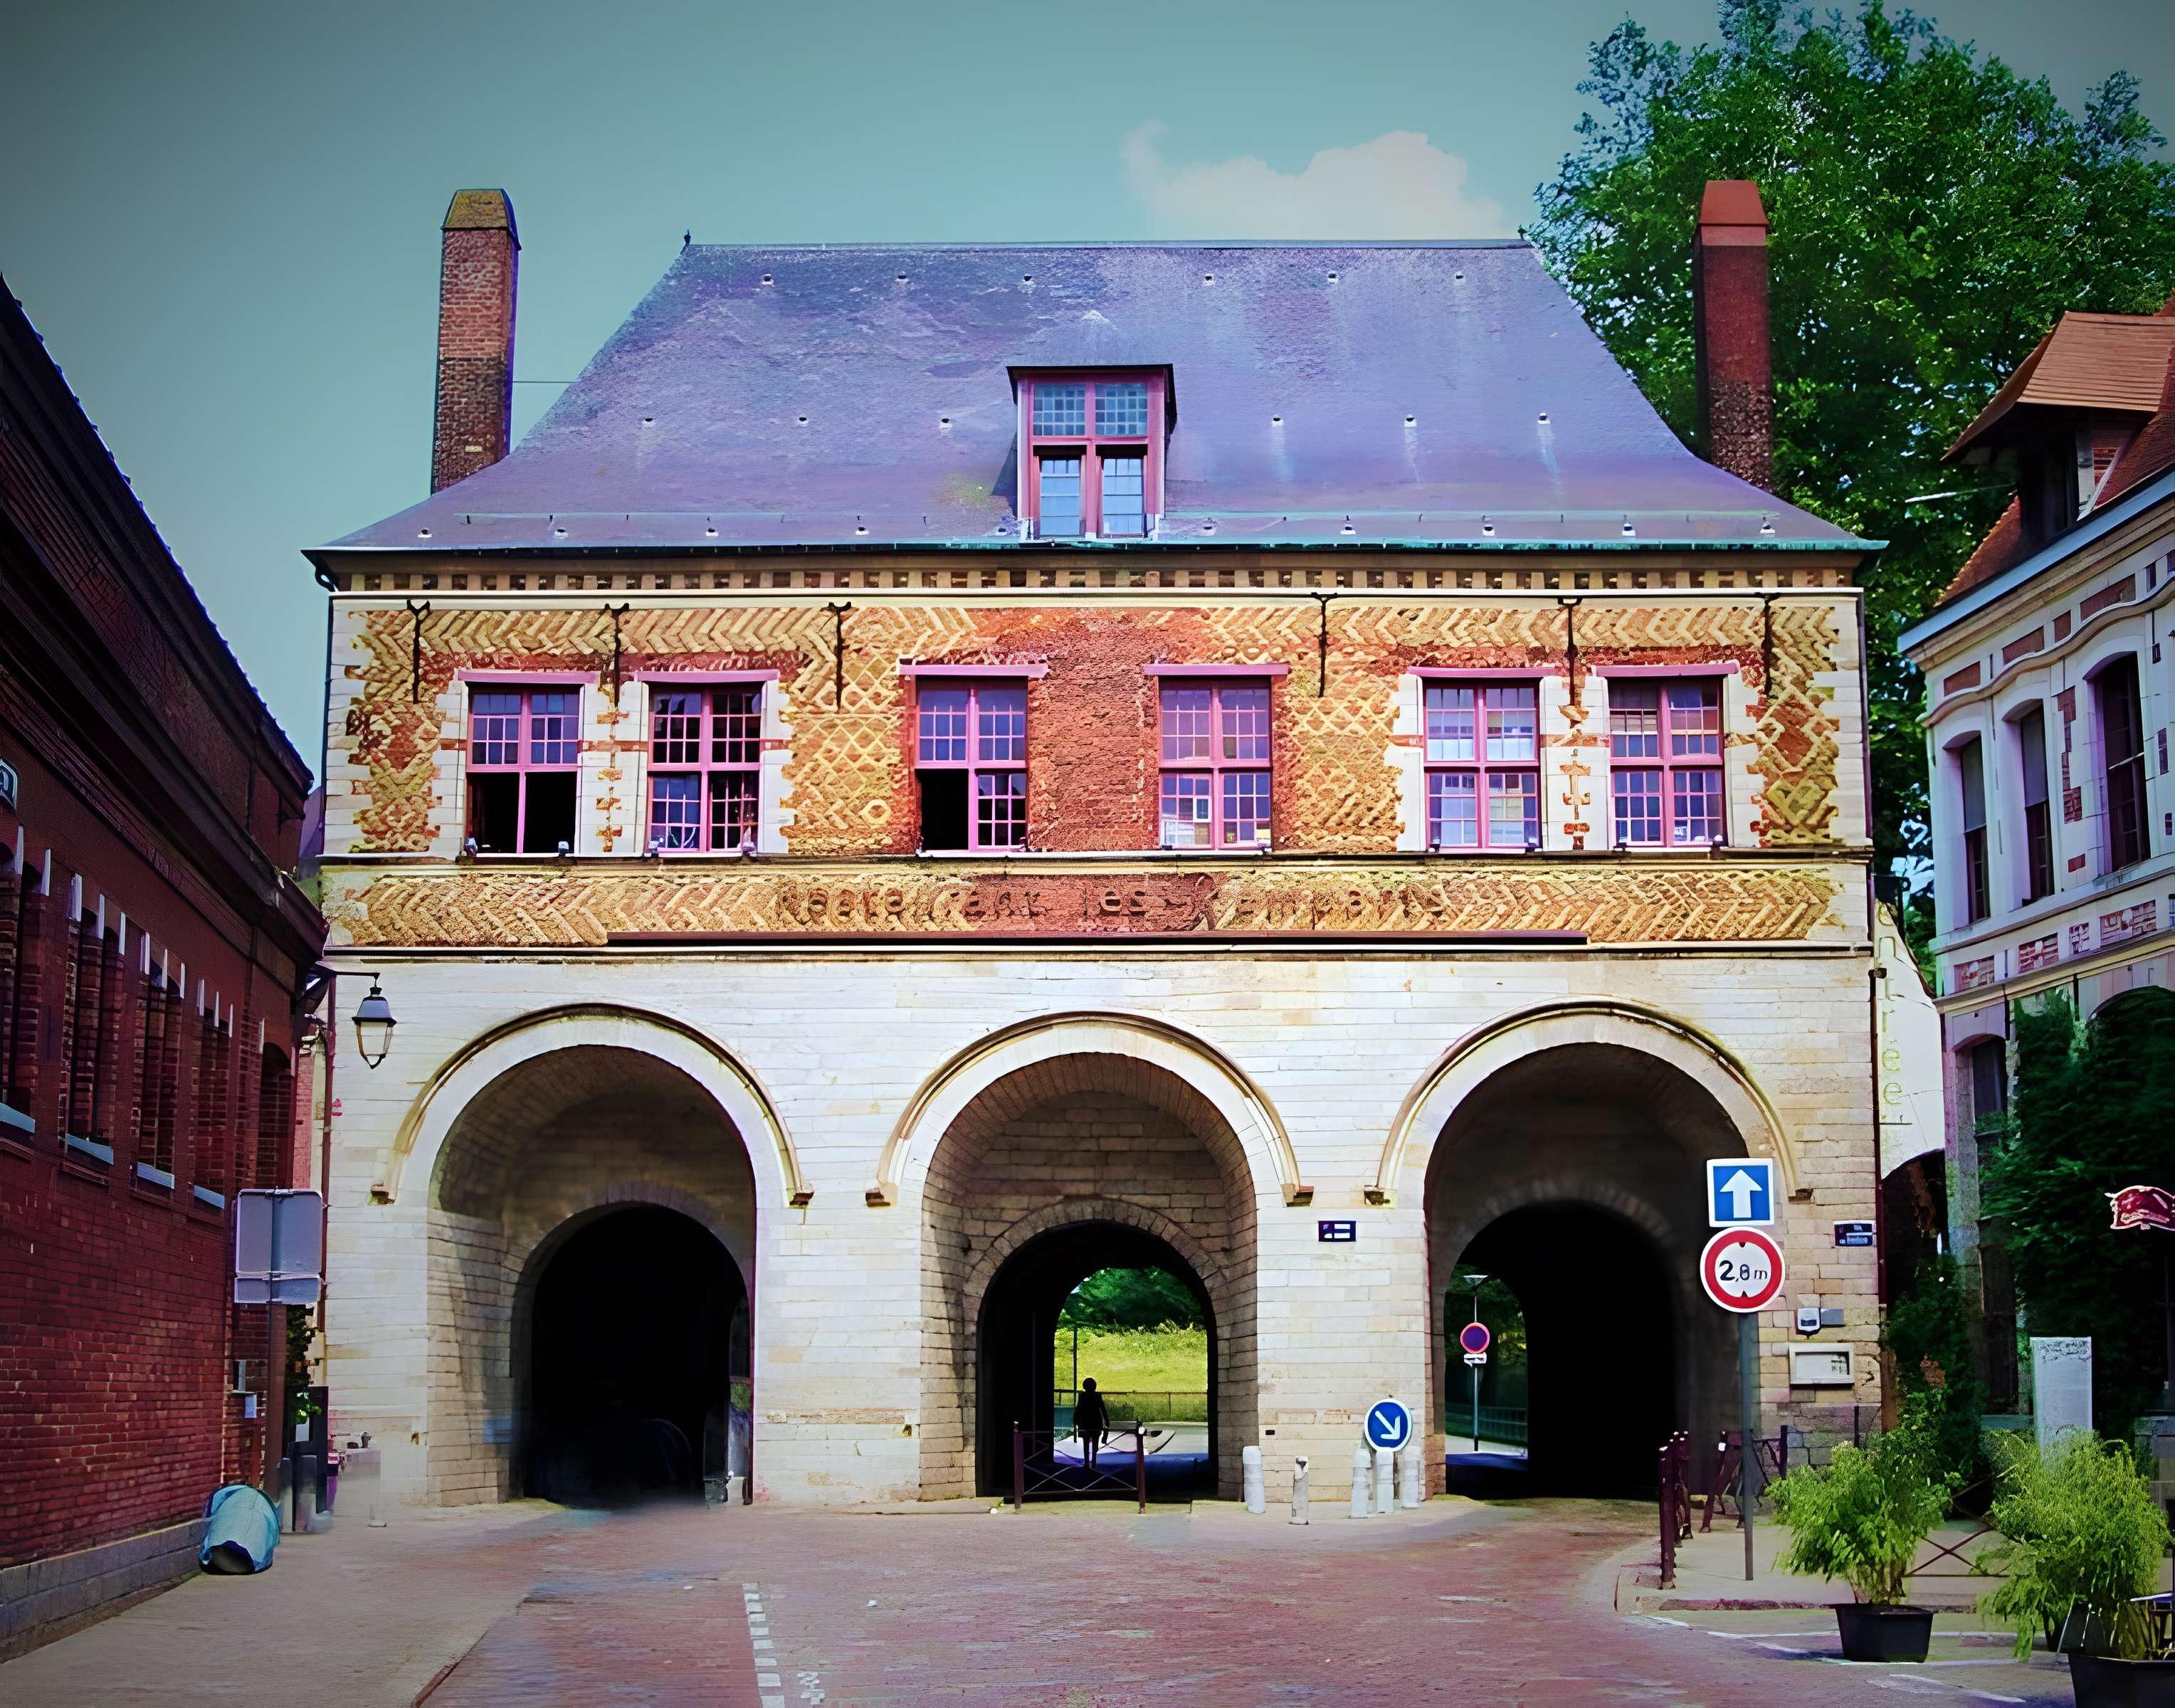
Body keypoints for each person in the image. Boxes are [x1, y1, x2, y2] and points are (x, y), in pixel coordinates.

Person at [1073, 1377, 1109, 1468]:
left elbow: (1078, 1408)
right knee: (1095, 1445)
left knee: (1086, 1444)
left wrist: (1075, 1420)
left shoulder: (1082, 1395)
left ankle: (1086, 1464)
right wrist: (1107, 1421)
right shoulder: (1098, 1396)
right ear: (1095, 1386)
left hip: (1085, 1423)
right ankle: (1094, 1464)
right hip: (1096, 1423)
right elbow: (1102, 1408)